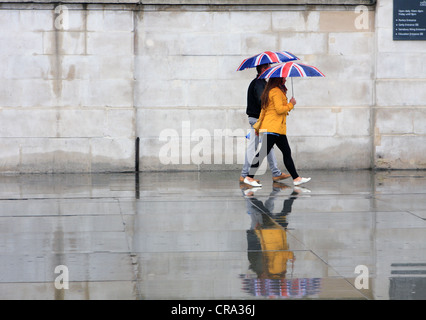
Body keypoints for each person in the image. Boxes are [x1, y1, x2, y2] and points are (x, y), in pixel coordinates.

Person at [243, 77, 311, 187]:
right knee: (263, 153)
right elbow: (279, 110)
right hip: (273, 128)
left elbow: (263, 111)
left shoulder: (270, 91)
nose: (286, 80)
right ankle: (249, 177)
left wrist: (257, 127)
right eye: (284, 78)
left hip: (277, 129)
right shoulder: (276, 92)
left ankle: (296, 178)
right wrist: (291, 104)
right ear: (278, 80)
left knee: (286, 153)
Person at [240, 64, 291, 184]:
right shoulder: (259, 84)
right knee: (257, 147)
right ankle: (245, 175)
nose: (271, 69)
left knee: (267, 146)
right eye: (268, 67)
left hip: (258, 119)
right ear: (263, 69)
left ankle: (275, 173)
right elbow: (262, 101)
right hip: (258, 120)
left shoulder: (262, 83)